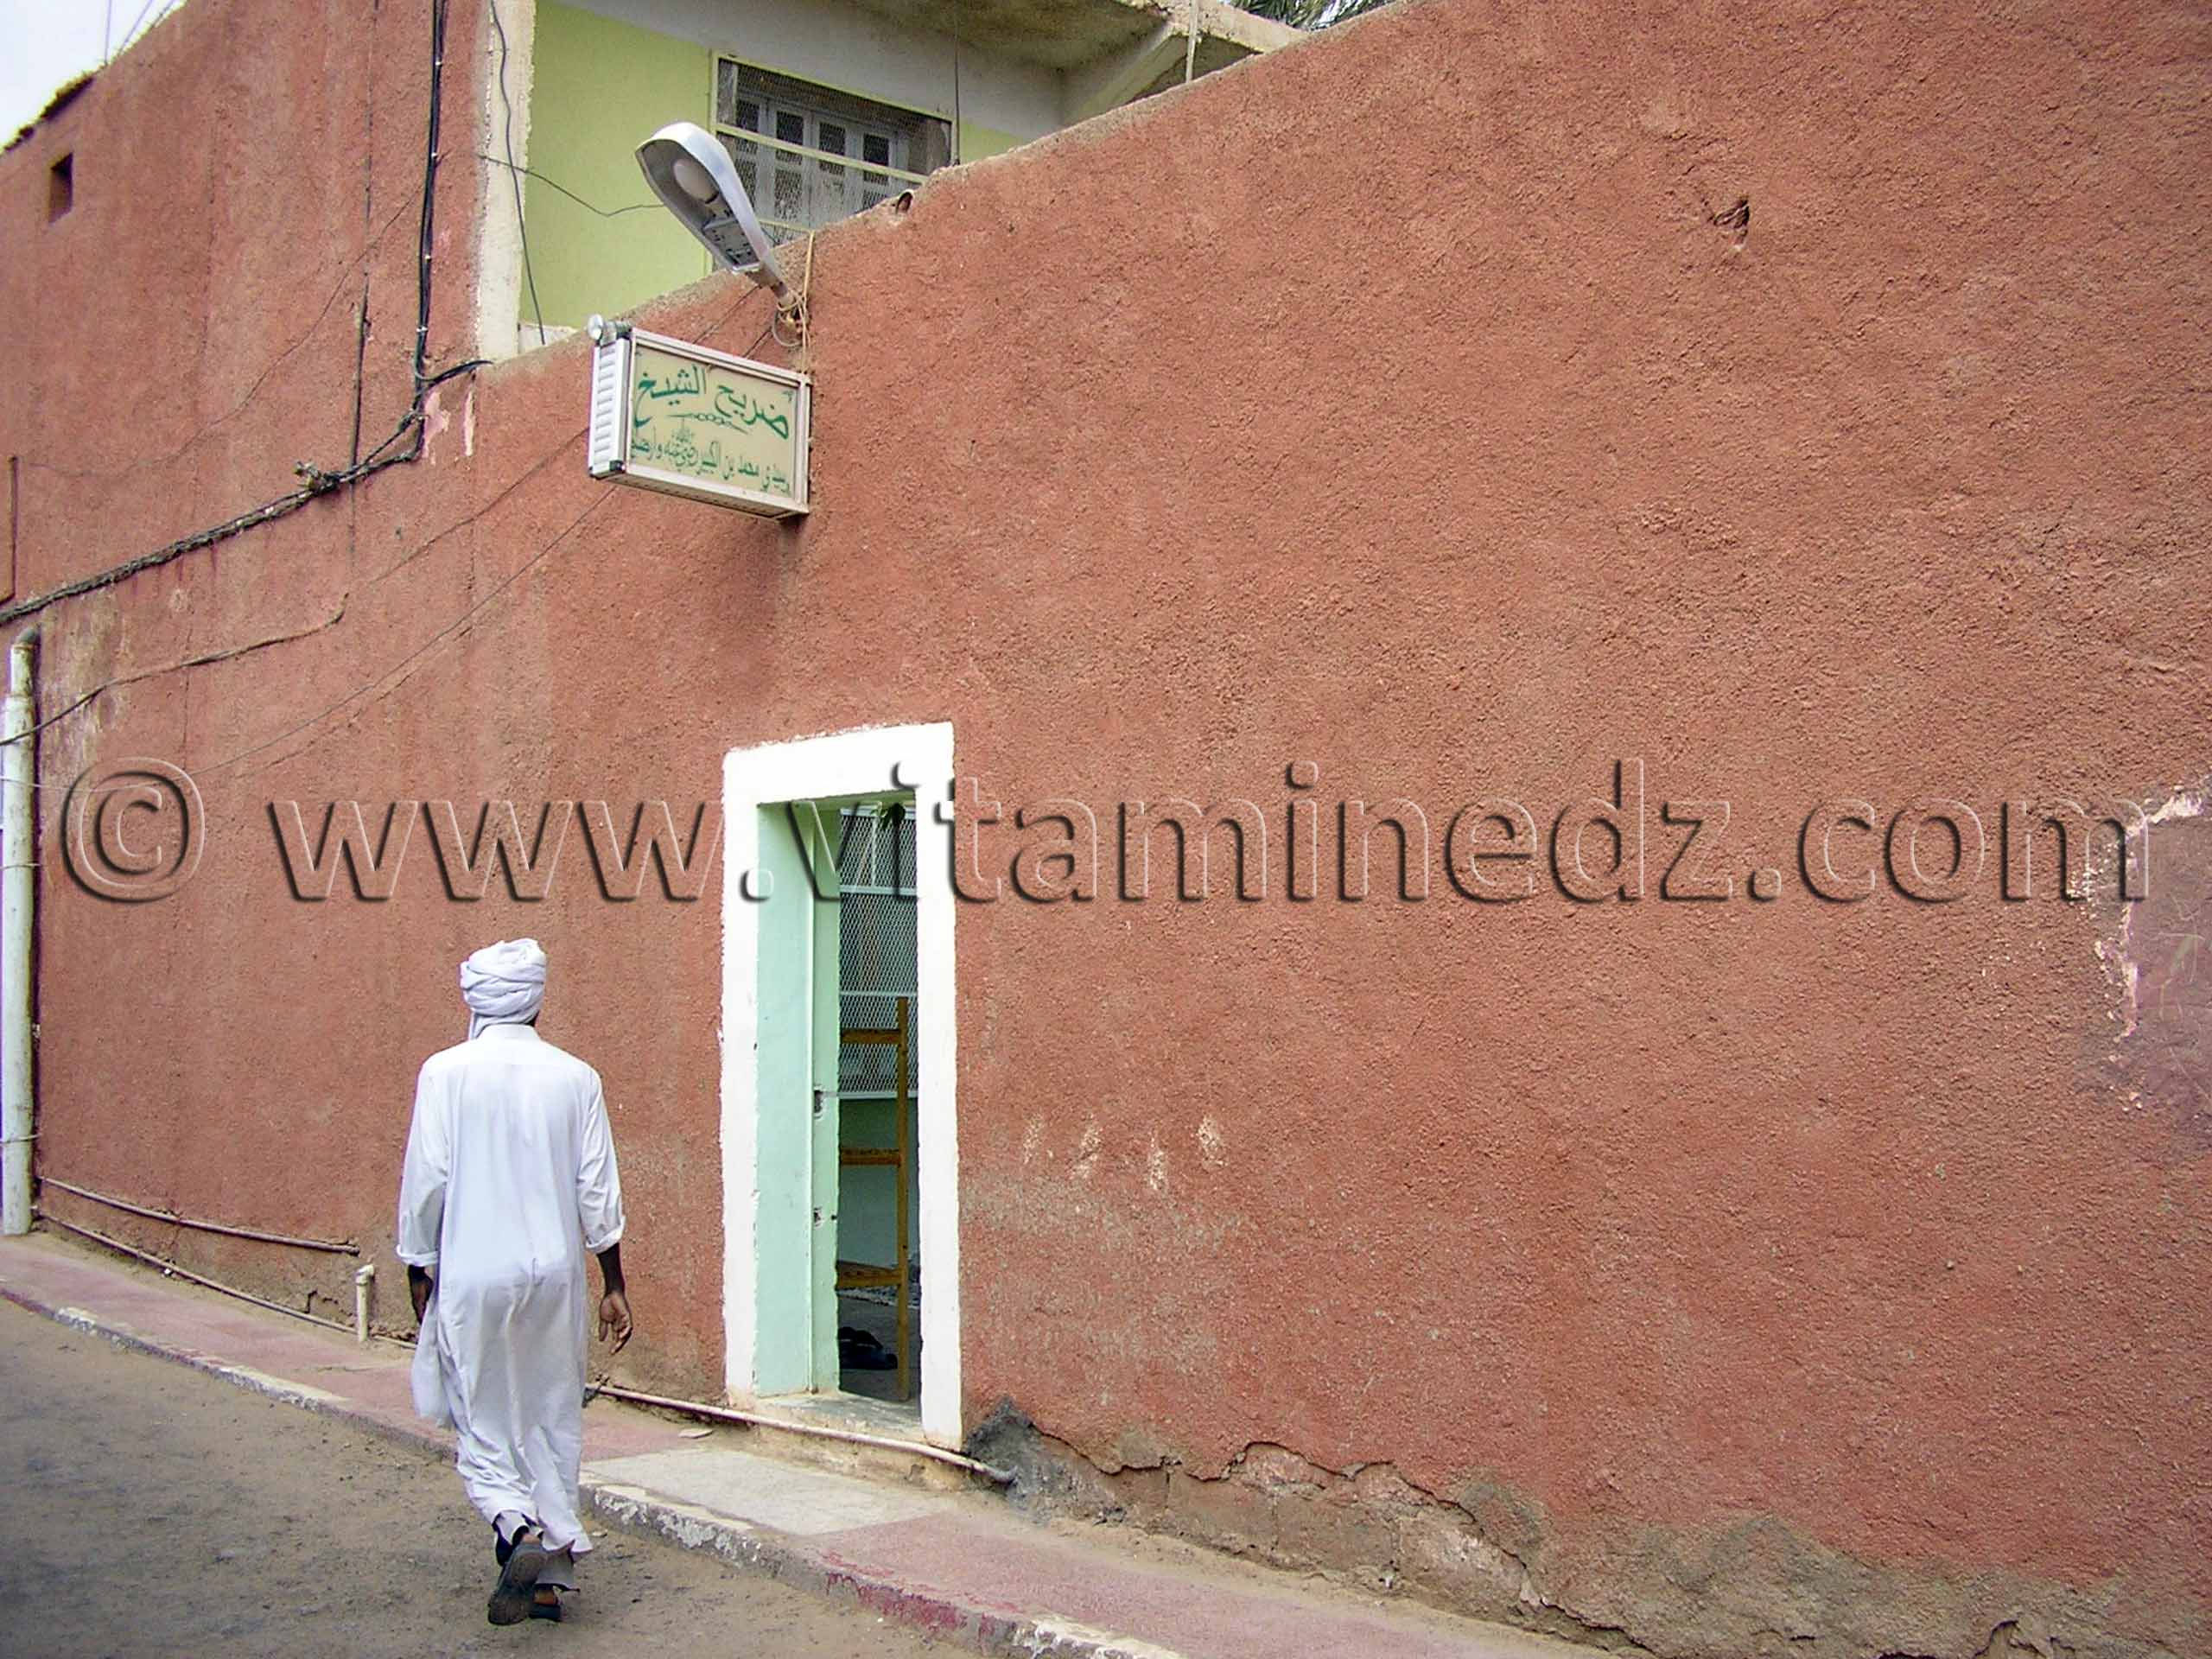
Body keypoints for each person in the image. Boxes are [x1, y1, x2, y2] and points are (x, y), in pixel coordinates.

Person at [395, 938, 632, 1626]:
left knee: (482, 1411)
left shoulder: (444, 1074)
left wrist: (419, 1265)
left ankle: (514, 1528)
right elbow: (598, 1189)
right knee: (552, 1413)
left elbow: (427, 1180)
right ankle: (548, 1580)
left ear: (474, 999)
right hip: (556, 1273)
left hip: (476, 1269)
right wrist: (614, 1283)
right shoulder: (576, 1077)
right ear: (536, 998)